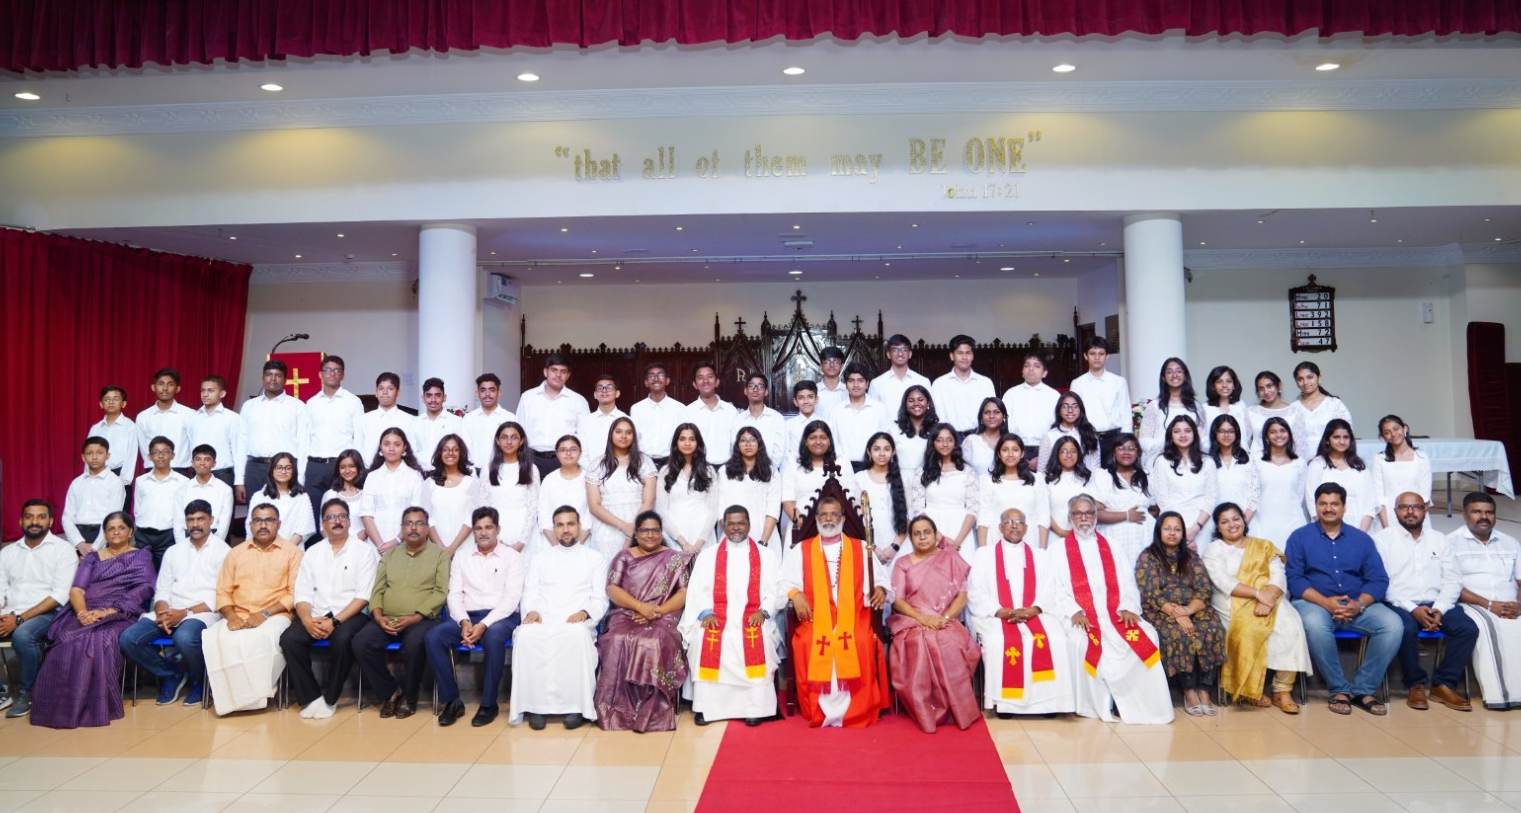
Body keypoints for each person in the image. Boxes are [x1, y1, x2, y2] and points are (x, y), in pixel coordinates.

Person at [1048, 494, 1174, 724]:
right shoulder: (1056, 551)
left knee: (1147, 635)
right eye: (1078, 513)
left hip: (1114, 614)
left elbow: (1128, 582)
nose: (1084, 518)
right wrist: (1074, 611)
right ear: (1070, 517)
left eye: (1089, 513)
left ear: (1096, 516)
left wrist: (1127, 607)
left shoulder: (1112, 546)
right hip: (1080, 616)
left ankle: (1138, 703)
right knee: (1081, 642)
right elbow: (1054, 589)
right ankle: (1101, 703)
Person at [29, 512, 155, 728]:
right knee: (67, 637)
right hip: (84, 610)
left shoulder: (141, 556)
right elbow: (77, 589)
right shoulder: (92, 558)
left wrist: (108, 612)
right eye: (110, 529)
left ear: (130, 531)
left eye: (121, 528)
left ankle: (94, 705)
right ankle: (56, 706)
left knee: (103, 639)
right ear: (104, 533)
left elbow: (145, 588)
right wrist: (82, 613)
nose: (116, 532)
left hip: (119, 613)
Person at [1286, 482, 1400, 716]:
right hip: (1313, 604)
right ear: (1315, 506)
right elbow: (1295, 580)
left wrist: (1359, 604)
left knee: (1393, 625)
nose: (1328, 508)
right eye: (1323, 504)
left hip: (1357, 605)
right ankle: (1338, 689)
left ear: (1344, 507)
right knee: (1315, 625)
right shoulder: (1299, 537)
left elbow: (1378, 580)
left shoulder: (1362, 539)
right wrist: (1327, 603)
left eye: (1334, 504)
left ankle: (1363, 690)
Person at [781, 495, 890, 728]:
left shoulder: (861, 548)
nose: (829, 519)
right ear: (817, 518)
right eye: (824, 515)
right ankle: (817, 708)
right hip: (814, 619)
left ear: (842, 518)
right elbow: (784, 582)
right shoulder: (802, 549)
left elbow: (880, 580)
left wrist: (880, 589)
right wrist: (795, 594)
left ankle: (857, 709)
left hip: (853, 618)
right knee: (806, 642)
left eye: (834, 515)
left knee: (861, 641)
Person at [119, 500, 229, 709]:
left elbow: (221, 596)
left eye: (200, 519)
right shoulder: (174, 551)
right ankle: (171, 674)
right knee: (128, 638)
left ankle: (200, 680)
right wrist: (161, 611)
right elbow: (163, 589)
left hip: (204, 613)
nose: (195, 524)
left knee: (185, 637)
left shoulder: (224, 552)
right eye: (190, 520)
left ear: (211, 520)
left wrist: (185, 612)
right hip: (170, 611)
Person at [1201, 502, 1310, 713]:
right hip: (1231, 602)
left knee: (1291, 626)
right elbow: (1223, 581)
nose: (1232, 524)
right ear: (1218, 527)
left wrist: (1268, 598)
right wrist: (1258, 594)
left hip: (1270, 599)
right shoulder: (1214, 549)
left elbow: (1278, 573)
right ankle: (1249, 690)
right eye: (1225, 521)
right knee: (1248, 630)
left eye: (1236, 518)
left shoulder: (1263, 545)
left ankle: (1282, 689)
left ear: (1243, 520)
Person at [510, 506, 610, 730]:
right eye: (560, 525)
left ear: (579, 526)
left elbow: (600, 598)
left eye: (570, 524)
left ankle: (577, 707)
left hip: (577, 621)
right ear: (554, 528)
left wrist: (585, 613)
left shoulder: (596, 558)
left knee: (575, 636)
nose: (565, 530)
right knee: (525, 636)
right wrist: (532, 611)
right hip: (543, 618)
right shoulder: (540, 558)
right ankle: (536, 706)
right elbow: (530, 593)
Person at [968, 507, 1074, 717]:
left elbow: (1051, 588)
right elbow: (975, 590)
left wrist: (1033, 609)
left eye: (1018, 522)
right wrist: (1001, 612)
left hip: (1035, 613)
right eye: (1008, 522)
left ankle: (1048, 703)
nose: (1014, 525)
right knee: (998, 641)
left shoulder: (1040, 556)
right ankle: (1007, 703)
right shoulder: (984, 555)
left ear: (1026, 528)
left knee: (1055, 638)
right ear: (1000, 528)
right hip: (997, 615)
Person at [1375, 493, 1476, 711]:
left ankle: (1443, 684)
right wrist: (1413, 609)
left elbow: (1453, 580)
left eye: (1416, 507)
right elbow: (1383, 583)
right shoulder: (1382, 539)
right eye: (1404, 507)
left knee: (1467, 629)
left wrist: (1438, 608)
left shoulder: (1439, 539)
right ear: (1395, 511)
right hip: (1399, 602)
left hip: (1437, 601)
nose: (1410, 511)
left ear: (1425, 510)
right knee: (1405, 628)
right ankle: (1415, 684)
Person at [684, 507, 783, 728]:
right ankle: (707, 708)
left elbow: (776, 591)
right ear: (723, 525)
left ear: (749, 525)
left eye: (741, 523)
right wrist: (706, 613)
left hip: (754, 618)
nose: (736, 528)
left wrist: (764, 611)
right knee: (702, 640)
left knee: (762, 639)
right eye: (731, 523)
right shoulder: (708, 556)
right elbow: (697, 591)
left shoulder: (766, 556)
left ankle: (755, 708)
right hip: (716, 618)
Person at [277, 498, 377, 719]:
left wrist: (335, 621)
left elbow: (363, 596)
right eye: (330, 517)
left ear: (350, 522)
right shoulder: (313, 552)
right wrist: (306, 621)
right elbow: (302, 594)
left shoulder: (363, 551)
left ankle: (330, 698)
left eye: (341, 516)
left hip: (351, 615)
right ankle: (310, 697)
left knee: (342, 640)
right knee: (290, 639)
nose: (337, 521)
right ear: (323, 524)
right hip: (316, 614)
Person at [428, 506, 525, 727]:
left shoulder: (512, 557)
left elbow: (511, 599)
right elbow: (454, 594)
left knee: (492, 638)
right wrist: (464, 622)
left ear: (498, 529)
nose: (483, 533)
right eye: (478, 528)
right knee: (434, 637)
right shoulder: (461, 557)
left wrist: (482, 625)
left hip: (502, 616)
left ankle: (489, 704)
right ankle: (452, 701)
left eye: (488, 527)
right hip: (467, 616)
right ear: (473, 531)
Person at [203, 503, 302, 716]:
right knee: (216, 637)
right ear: (250, 524)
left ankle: (255, 698)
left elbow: (294, 594)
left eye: (269, 520)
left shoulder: (293, 553)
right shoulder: (236, 553)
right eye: (258, 520)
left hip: (276, 615)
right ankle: (230, 698)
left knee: (262, 637)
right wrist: (230, 616)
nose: (263, 525)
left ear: (278, 524)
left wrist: (264, 614)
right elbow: (222, 591)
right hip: (238, 613)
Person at [594, 511, 689, 732]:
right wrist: (640, 607)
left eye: (655, 530)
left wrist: (657, 611)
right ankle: (617, 711)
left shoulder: (674, 558)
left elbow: (684, 593)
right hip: (626, 613)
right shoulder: (624, 557)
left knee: (653, 639)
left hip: (663, 615)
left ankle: (652, 712)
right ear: (636, 533)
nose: (650, 535)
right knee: (616, 639)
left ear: (661, 532)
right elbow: (612, 589)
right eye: (644, 530)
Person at [352, 506, 449, 720]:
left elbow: (441, 592)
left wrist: (416, 616)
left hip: (422, 619)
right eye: (408, 523)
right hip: (387, 619)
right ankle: (390, 693)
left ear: (427, 528)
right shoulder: (390, 555)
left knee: (414, 645)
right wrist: (378, 616)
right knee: (361, 642)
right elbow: (377, 590)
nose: (413, 528)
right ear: (402, 528)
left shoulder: (440, 555)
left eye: (419, 523)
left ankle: (410, 698)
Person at [888, 515, 981, 733]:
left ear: (934, 533)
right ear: (910, 538)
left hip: (944, 619)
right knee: (922, 642)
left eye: (926, 532)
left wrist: (945, 618)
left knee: (950, 640)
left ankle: (953, 705)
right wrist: (923, 619)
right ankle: (926, 708)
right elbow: (898, 600)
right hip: (912, 620)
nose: (922, 537)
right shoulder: (902, 563)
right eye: (917, 534)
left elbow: (962, 595)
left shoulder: (950, 558)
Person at [1135, 511, 1227, 717]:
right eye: (1167, 528)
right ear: (1159, 531)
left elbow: (1204, 590)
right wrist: (1177, 614)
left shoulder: (1192, 557)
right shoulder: (1148, 557)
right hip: (1161, 611)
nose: (1172, 533)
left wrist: (1186, 610)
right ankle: (1189, 691)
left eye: (1177, 529)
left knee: (1213, 629)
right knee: (1179, 634)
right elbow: (1150, 593)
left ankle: (1204, 690)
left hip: (1193, 608)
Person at [0, 500, 79, 717]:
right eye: (29, 517)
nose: (34, 522)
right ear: (21, 520)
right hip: (10, 611)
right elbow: (1, 588)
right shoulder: (8, 552)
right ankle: (2, 692)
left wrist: (18, 619)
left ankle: (28, 694)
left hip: (48, 613)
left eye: (41, 517)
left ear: (51, 521)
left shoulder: (63, 550)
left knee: (23, 636)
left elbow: (60, 595)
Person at [1449, 492, 1521, 709]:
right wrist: (1489, 605)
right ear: (1465, 515)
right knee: (1490, 627)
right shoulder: (1450, 543)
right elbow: (1452, 585)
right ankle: (1500, 696)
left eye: (1489, 512)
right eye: (1477, 512)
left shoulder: (1510, 542)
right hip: (1472, 603)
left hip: (1510, 603)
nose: (1484, 517)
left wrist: (1519, 605)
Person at [586, 416, 658, 560]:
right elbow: (594, 506)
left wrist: (634, 529)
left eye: (628, 432)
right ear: (611, 434)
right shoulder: (597, 464)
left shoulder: (644, 462)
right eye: (618, 431)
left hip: (640, 527)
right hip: (606, 530)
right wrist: (623, 526)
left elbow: (648, 501)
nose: (623, 436)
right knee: (608, 574)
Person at [238, 360, 309, 505]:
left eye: (278, 375)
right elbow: (241, 443)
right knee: (256, 517)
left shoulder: (297, 406)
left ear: (285, 380)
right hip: (254, 469)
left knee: (284, 516)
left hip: (284, 469)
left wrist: (301, 478)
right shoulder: (249, 406)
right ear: (262, 378)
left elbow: (304, 444)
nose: (273, 378)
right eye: (269, 374)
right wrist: (239, 479)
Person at [304, 356, 365, 519]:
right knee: (312, 514)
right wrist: (302, 470)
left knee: (338, 514)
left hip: (340, 466)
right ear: (320, 374)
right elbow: (305, 438)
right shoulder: (311, 403)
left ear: (343, 375)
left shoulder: (353, 401)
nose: (332, 374)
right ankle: (315, 545)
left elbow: (359, 437)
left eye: (337, 371)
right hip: (314, 466)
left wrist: (357, 467)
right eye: (328, 370)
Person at [781, 421, 859, 547]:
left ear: (829, 441)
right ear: (805, 441)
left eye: (823, 437)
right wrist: (808, 527)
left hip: (835, 529)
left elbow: (850, 498)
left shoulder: (842, 462)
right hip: (800, 529)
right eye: (813, 438)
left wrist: (828, 525)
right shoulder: (793, 464)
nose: (818, 442)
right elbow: (788, 502)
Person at [910, 423, 979, 561]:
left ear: (955, 442)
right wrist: (940, 537)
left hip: (961, 528)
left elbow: (973, 509)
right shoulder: (922, 471)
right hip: (931, 529)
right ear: (933, 443)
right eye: (939, 440)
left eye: (949, 439)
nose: (945, 444)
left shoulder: (967, 471)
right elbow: (918, 508)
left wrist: (958, 542)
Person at [1150, 415, 1218, 551]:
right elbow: (1162, 499)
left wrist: (1196, 528)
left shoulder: (1208, 461)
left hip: (1202, 523)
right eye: (1177, 431)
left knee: (1204, 566)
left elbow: (1211, 497)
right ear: (1171, 436)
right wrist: (1179, 529)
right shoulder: (1162, 462)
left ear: (1194, 434)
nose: (1182, 435)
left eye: (1187, 430)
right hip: (1173, 525)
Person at [519, 354, 589, 476]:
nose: (558, 375)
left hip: (565, 460)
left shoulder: (578, 401)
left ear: (568, 375)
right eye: (554, 370)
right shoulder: (528, 397)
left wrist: (582, 465)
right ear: (545, 372)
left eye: (563, 371)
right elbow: (519, 431)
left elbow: (584, 435)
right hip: (532, 459)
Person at [656, 423, 721, 555]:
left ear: (698, 443)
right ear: (676, 443)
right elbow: (662, 510)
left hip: (703, 537)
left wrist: (699, 543)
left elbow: (713, 510)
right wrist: (683, 542)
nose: (687, 443)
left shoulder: (708, 471)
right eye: (682, 439)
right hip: (674, 537)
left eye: (692, 439)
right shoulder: (665, 472)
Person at [1065, 338, 1131, 464]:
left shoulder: (1118, 382)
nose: (1097, 358)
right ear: (1085, 356)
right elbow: (1073, 414)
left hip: (1114, 439)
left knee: (1114, 478)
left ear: (1107, 356)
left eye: (1101, 354)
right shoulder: (1078, 383)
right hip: (1087, 439)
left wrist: (1126, 440)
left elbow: (1125, 411)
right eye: (1092, 354)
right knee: (1089, 477)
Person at [977, 433, 1049, 550]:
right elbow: (983, 519)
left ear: (1022, 453)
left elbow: (1043, 517)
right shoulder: (988, 481)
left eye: (1015, 450)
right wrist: (983, 551)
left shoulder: (1037, 479)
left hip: (1030, 538)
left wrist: (1041, 550)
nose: (1010, 454)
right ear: (999, 454)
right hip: (996, 538)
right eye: (1005, 450)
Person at [1304, 419, 1376, 533]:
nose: (1342, 441)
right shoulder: (1317, 465)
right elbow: (1312, 503)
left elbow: (1370, 505)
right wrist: (1329, 533)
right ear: (1328, 440)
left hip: (1359, 530)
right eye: (1336, 437)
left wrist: (1359, 536)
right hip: (1325, 533)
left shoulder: (1360, 467)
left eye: (1346, 437)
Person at [1092, 433, 1154, 568]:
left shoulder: (1148, 476)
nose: (1126, 452)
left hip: (1144, 537)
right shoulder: (1103, 476)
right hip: (1114, 537)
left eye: (1131, 448)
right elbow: (1097, 513)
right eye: (1121, 448)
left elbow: (1155, 508)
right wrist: (1126, 516)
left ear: (1138, 453)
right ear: (1113, 452)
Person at [421, 433, 485, 557]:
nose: (450, 453)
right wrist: (441, 547)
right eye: (445, 449)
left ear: (461, 454)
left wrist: (452, 548)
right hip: (436, 548)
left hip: (465, 548)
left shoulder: (472, 483)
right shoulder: (429, 484)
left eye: (455, 450)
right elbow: (426, 518)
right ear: (439, 453)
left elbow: (471, 518)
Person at [1138, 357, 1207, 470]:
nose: (1174, 375)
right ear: (1164, 378)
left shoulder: (1196, 407)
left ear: (1185, 376)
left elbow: (1203, 438)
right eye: (1169, 372)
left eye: (1179, 371)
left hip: (1190, 463)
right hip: (1161, 463)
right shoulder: (1154, 406)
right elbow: (1144, 441)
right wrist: (1169, 443)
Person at [483, 421, 540, 556]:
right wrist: (495, 539)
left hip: (525, 533)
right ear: (498, 441)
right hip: (497, 531)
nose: (509, 442)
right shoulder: (488, 469)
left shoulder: (531, 469)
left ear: (521, 441)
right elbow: (484, 505)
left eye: (514, 437)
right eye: (504, 437)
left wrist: (521, 542)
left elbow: (533, 507)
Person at [719, 426, 783, 549]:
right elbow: (721, 509)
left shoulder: (772, 473)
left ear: (759, 444)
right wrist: (735, 537)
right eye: (743, 440)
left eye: (753, 440)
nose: (748, 444)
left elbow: (773, 511)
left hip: (765, 537)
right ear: (737, 445)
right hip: (733, 537)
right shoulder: (724, 472)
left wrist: (763, 542)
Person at [63, 436, 127, 554]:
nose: (94, 457)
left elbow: (112, 519)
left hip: (104, 537)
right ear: (83, 457)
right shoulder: (76, 483)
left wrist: (95, 547)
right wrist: (80, 544)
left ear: (107, 455)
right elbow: (67, 517)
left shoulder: (115, 482)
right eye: (89, 453)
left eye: (99, 453)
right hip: (78, 538)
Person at [133, 435, 189, 568]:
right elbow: (138, 508)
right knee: (143, 575)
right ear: (149, 456)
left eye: (165, 452)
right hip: (143, 535)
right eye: (156, 452)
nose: (161, 456)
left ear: (173, 455)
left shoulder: (183, 482)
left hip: (167, 535)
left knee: (166, 573)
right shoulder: (141, 481)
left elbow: (184, 511)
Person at [1253, 417, 1308, 548]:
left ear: (1289, 434)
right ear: (1266, 437)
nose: (1279, 435)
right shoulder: (1255, 460)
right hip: (1264, 523)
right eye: (1273, 432)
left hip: (1293, 522)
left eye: (1282, 431)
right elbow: (1252, 494)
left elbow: (1299, 496)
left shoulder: (1299, 463)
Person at [1001, 353, 1062, 472]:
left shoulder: (1054, 396)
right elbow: (1005, 425)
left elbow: (1058, 428)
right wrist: (1017, 453)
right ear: (1022, 371)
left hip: (1046, 452)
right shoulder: (1011, 394)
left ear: (1044, 372)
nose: (1031, 369)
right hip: (1015, 451)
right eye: (1027, 366)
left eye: (1037, 366)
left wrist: (1043, 456)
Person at [1372, 415, 1432, 530]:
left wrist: (1416, 522)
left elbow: (1425, 496)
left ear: (1405, 429)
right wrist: (1386, 528)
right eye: (1387, 432)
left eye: (1396, 429)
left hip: (1416, 515)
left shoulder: (1421, 458)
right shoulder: (1379, 459)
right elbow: (1378, 497)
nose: (1393, 434)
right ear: (1383, 437)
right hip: (1388, 515)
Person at [859, 432, 910, 564]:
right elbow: (856, 518)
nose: (882, 453)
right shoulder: (859, 479)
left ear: (893, 452)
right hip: (868, 545)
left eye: (887, 449)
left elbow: (909, 516)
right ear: (869, 452)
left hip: (899, 545)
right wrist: (873, 547)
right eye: (876, 449)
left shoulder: (903, 479)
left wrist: (894, 547)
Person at [930, 334, 995, 436]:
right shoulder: (939, 384)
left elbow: (991, 414)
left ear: (973, 356)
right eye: (960, 353)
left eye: (968, 353)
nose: (964, 357)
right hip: (949, 439)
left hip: (979, 437)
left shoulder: (985, 383)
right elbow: (937, 417)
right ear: (952, 356)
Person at [248, 452, 316, 547]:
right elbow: (251, 527)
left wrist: (284, 552)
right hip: (262, 549)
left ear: (293, 471)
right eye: (279, 467)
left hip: (292, 550)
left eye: (288, 468)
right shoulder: (258, 496)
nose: (283, 471)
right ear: (272, 470)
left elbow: (303, 529)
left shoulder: (302, 497)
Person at [1208, 415, 1260, 541]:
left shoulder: (1247, 460)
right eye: (1221, 431)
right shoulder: (1207, 461)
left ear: (1237, 433)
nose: (1226, 435)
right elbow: (1206, 497)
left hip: (1246, 524)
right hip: (1215, 525)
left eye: (1231, 431)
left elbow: (1254, 497)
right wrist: (1222, 526)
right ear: (1214, 433)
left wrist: (1241, 524)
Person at [537, 435, 592, 553]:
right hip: (551, 544)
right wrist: (558, 548)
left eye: (573, 449)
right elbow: (543, 516)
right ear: (556, 453)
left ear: (580, 452)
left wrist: (575, 547)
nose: (568, 453)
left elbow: (590, 516)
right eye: (563, 450)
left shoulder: (589, 478)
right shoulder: (549, 480)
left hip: (583, 543)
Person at [830, 363, 890, 469]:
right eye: (851, 380)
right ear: (846, 384)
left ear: (867, 384)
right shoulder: (837, 411)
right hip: (843, 468)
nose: (856, 385)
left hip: (873, 467)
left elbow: (885, 440)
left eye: (860, 380)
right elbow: (832, 442)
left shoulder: (880, 409)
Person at [188, 375, 243, 488]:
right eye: (202, 390)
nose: (205, 394)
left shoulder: (232, 418)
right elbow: (191, 445)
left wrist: (239, 481)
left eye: (210, 391)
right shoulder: (193, 417)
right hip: (197, 474)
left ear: (222, 394)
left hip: (222, 474)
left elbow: (239, 451)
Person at [173, 444, 235, 546]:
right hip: (187, 538)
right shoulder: (182, 490)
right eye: (198, 459)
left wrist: (213, 547)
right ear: (192, 463)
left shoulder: (225, 490)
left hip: (215, 539)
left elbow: (224, 526)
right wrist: (182, 547)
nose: (202, 463)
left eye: (207, 459)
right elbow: (178, 525)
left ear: (214, 463)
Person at [136, 367, 194, 474]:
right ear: (153, 387)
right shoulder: (143, 417)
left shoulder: (190, 415)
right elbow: (144, 449)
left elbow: (194, 444)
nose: (165, 388)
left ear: (177, 389)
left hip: (180, 471)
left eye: (170, 384)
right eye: (161, 384)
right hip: (152, 472)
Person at [1041, 436, 1095, 548]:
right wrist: (1061, 532)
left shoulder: (1087, 478)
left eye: (1073, 451)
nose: (1069, 455)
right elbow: (1043, 511)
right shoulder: (1045, 479)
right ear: (1057, 454)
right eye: (1063, 451)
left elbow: (1094, 509)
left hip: (1083, 536)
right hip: (1055, 536)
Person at [1290, 361, 1353, 452]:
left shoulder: (1335, 404)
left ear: (1319, 378)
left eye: (1310, 377)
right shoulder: (1292, 408)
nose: (1305, 382)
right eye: (1300, 379)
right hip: (1300, 460)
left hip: (1330, 460)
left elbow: (1346, 434)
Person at [356, 371, 418, 463]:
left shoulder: (410, 420)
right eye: (381, 388)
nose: (385, 392)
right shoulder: (364, 420)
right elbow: (358, 450)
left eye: (390, 388)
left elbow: (413, 452)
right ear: (376, 392)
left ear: (398, 393)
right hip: (369, 473)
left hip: (400, 473)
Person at [683, 361, 737, 465]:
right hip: (698, 469)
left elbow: (736, 442)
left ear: (717, 382)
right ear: (695, 384)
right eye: (700, 377)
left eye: (710, 376)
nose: (705, 381)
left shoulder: (730, 411)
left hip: (727, 469)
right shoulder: (687, 412)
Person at [461, 373, 516, 474]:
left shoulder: (509, 418)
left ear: (499, 393)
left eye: (492, 390)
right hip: (474, 471)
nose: (487, 394)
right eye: (483, 390)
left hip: (502, 471)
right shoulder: (469, 418)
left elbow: (514, 447)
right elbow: (465, 447)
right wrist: (470, 472)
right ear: (477, 394)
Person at [630, 362, 683, 466]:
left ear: (667, 380)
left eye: (660, 375)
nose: (656, 379)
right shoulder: (636, 409)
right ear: (646, 382)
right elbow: (633, 439)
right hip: (643, 463)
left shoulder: (680, 408)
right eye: (651, 375)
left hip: (671, 463)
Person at [1036, 392, 1101, 475]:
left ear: (1081, 410)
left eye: (1075, 406)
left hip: (1087, 483)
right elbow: (1042, 470)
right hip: (1057, 483)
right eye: (1065, 407)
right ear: (1059, 411)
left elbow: (1096, 466)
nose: (1070, 410)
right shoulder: (1049, 436)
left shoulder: (1090, 433)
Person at [734, 373, 788, 471]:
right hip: (744, 472)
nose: (755, 389)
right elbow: (734, 448)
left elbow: (780, 451)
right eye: (751, 386)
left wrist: (768, 470)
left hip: (770, 472)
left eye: (760, 386)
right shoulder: (738, 420)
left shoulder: (776, 418)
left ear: (766, 391)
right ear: (745, 391)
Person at [88, 384, 138, 487]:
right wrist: (89, 477)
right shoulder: (95, 429)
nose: (111, 402)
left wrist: (123, 481)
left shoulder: (130, 427)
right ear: (101, 404)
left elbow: (131, 456)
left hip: (119, 476)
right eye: (107, 399)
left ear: (123, 404)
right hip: (97, 475)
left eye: (116, 399)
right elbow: (88, 453)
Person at [578, 374, 628, 470]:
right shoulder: (586, 421)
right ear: (595, 394)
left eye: (609, 388)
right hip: (590, 474)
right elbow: (581, 454)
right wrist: (594, 472)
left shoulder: (626, 420)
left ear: (617, 393)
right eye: (600, 388)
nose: (604, 391)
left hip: (619, 473)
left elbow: (630, 451)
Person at [869, 334, 930, 411]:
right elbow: (873, 413)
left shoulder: (923, 382)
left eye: (904, 350)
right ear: (888, 354)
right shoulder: (877, 384)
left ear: (910, 354)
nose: (900, 354)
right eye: (895, 350)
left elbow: (929, 411)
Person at [415, 377, 463, 473]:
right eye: (429, 395)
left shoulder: (456, 422)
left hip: (445, 474)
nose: (433, 400)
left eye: (437, 395)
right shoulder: (415, 423)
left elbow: (462, 452)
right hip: (419, 475)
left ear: (444, 397)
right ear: (423, 398)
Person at [1203, 365, 1253, 454]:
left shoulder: (1240, 405)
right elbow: (1203, 439)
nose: (1225, 385)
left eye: (1229, 381)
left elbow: (1247, 434)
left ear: (1234, 385)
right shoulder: (1205, 409)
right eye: (1219, 382)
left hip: (1241, 457)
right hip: (1214, 459)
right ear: (1213, 386)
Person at [890, 384, 937, 474]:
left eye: (921, 400)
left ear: (928, 403)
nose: (916, 403)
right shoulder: (894, 430)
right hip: (901, 479)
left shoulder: (937, 430)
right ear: (905, 406)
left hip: (929, 478)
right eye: (911, 401)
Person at [960, 397, 1008, 475]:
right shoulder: (971, 441)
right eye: (987, 412)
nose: (992, 416)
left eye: (996, 412)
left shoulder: (1011, 442)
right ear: (981, 417)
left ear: (1004, 417)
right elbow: (961, 472)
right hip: (977, 486)